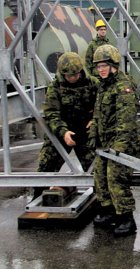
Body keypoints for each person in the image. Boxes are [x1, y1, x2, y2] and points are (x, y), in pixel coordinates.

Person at [89, 44, 140, 237]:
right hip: (106, 142)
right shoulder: (104, 86)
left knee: (115, 176)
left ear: (113, 65)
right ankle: (109, 211)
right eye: (98, 66)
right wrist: (94, 136)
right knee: (100, 175)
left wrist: (119, 147)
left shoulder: (122, 86)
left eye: (104, 65)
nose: (101, 69)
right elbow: (98, 114)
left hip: (122, 143)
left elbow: (126, 120)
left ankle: (126, 218)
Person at [34, 52, 98, 198]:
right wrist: (63, 132)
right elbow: (51, 113)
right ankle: (37, 196)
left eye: (75, 75)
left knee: (97, 168)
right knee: (46, 165)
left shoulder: (93, 83)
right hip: (62, 132)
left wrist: (95, 120)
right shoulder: (55, 87)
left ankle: (101, 203)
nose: (73, 78)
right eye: (69, 76)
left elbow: (103, 105)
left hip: (86, 132)